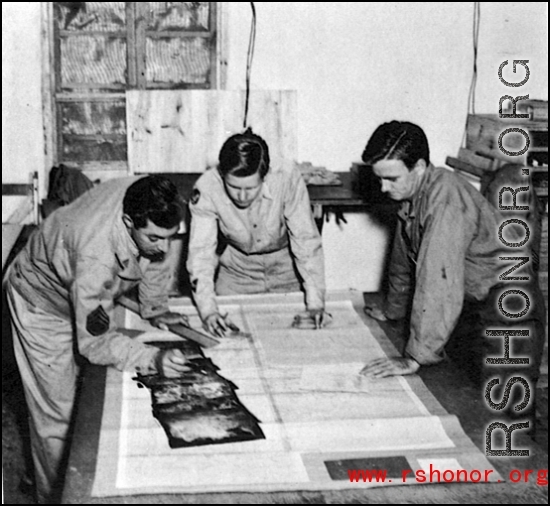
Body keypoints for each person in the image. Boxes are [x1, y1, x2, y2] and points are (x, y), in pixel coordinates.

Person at [5, 175, 190, 503]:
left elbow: (155, 258)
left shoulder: (151, 196)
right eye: (153, 237)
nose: (163, 246)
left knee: (86, 399)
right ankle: (54, 495)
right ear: (129, 221)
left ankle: (39, 469)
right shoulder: (96, 256)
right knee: (58, 416)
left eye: (169, 236)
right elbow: (95, 343)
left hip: (74, 277)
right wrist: (152, 358)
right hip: (41, 305)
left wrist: (155, 307)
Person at [359, 121, 546, 430]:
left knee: (509, 418)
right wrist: (392, 309)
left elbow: (438, 279)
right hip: (478, 302)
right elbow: (404, 258)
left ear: (419, 166)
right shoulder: (414, 193)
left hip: (509, 308)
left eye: (391, 179)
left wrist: (415, 357)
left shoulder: (445, 199)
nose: (383, 188)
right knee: (470, 403)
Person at [187, 129, 327, 336]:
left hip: (287, 270)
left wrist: (316, 303)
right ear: (222, 175)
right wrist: (208, 312)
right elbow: (201, 253)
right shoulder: (206, 187)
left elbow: (305, 241)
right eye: (233, 187)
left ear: (265, 175)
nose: (242, 196)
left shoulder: (286, 177)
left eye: (251, 188)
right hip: (237, 272)